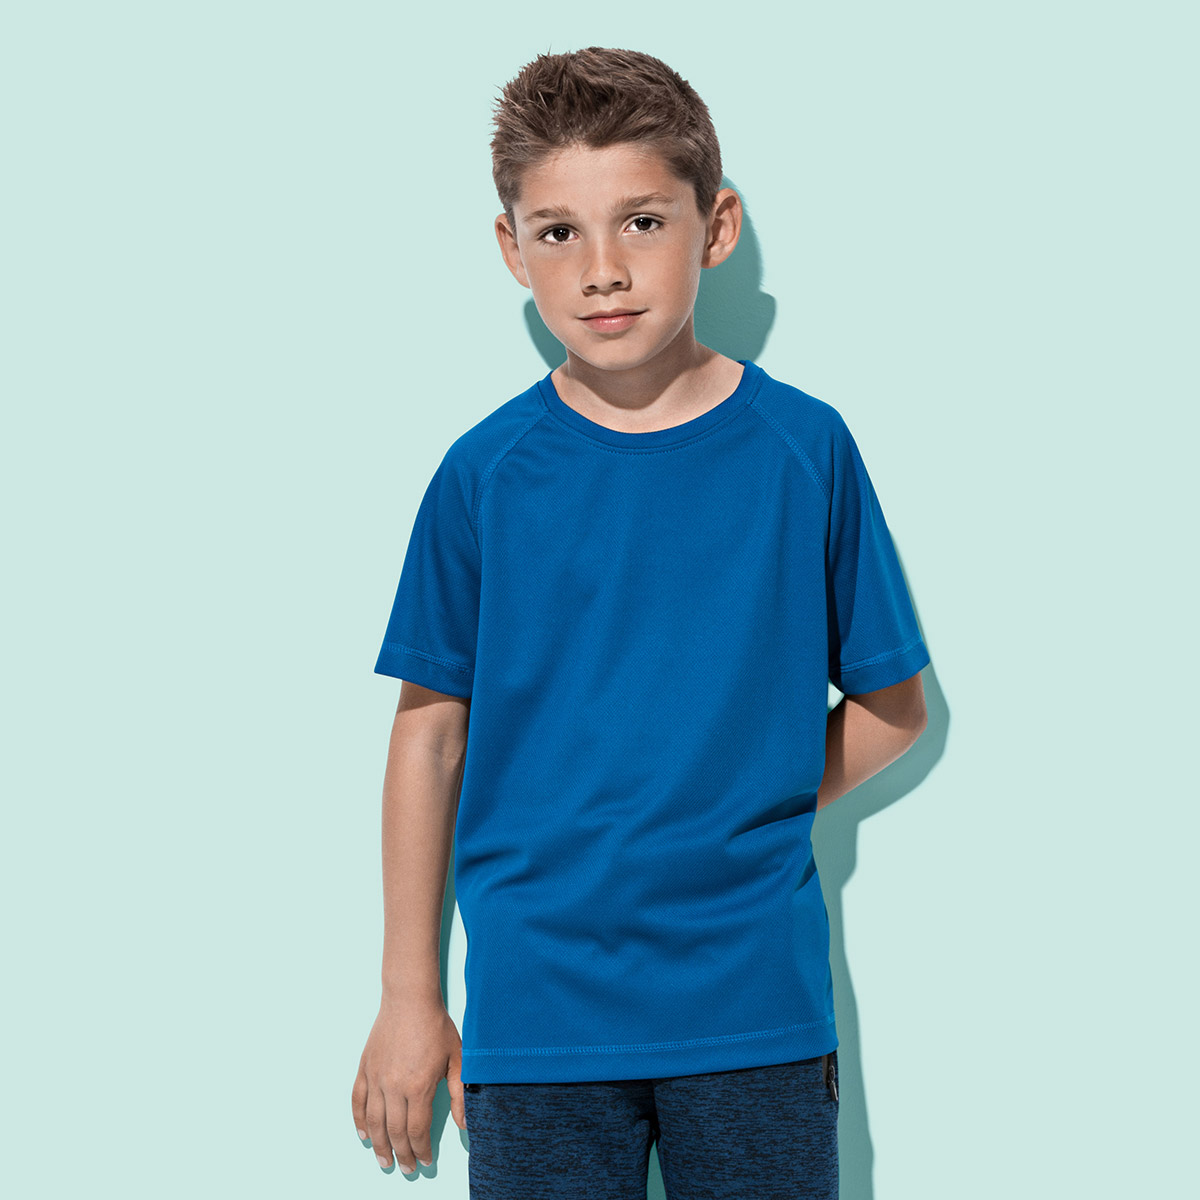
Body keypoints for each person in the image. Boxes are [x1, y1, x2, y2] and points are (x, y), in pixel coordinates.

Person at [351, 45, 930, 1199]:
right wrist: (410, 997)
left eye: (644, 223)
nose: (603, 270)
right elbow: (429, 736)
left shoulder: (804, 451)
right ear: (512, 249)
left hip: (753, 1009)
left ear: (716, 227)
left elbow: (894, 708)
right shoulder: (484, 474)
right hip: (537, 1013)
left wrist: (742, 808)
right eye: (559, 232)